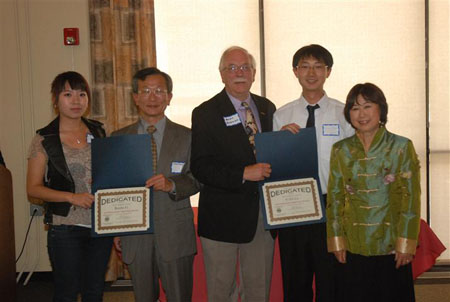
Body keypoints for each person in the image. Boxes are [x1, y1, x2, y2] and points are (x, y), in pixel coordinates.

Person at [191, 46, 276, 302]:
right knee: (220, 291)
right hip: (221, 217)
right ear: (222, 74)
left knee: (258, 289)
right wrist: (242, 173)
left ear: (253, 73)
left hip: (261, 215)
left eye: (245, 67)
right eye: (232, 67)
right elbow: (201, 166)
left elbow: (276, 154)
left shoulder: (267, 108)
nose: (239, 73)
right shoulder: (205, 113)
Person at [273, 44, 354, 301]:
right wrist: (282, 142)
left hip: (332, 206)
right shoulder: (280, 115)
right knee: (296, 280)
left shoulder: (344, 113)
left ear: (328, 71)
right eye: (305, 66)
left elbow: (353, 162)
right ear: (295, 71)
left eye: (318, 66)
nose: (311, 72)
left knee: (333, 280)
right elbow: (274, 165)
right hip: (294, 206)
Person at [112, 67, 200, 302]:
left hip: (175, 233)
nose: (153, 97)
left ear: (169, 97)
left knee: (180, 297)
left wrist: (172, 184)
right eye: (146, 91)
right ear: (135, 97)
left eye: (159, 91)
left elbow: (198, 179)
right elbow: (114, 189)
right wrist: (116, 229)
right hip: (135, 235)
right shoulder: (118, 139)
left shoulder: (188, 136)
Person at [327, 82, 420, 302]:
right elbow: (335, 197)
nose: (361, 114)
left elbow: (411, 198)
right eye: (355, 107)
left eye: (367, 106)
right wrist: (336, 240)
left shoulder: (401, 146)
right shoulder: (340, 150)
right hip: (353, 243)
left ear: (381, 109)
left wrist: (406, 243)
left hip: (390, 243)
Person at [26, 71, 113, 301]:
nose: (76, 100)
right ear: (55, 100)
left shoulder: (99, 131)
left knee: (94, 290)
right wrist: (71, 197)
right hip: (65, 227)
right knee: (66, 292)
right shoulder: (44, 139)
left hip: (100, 225)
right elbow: (33, 189)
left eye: (82, 94)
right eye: (68, 94)